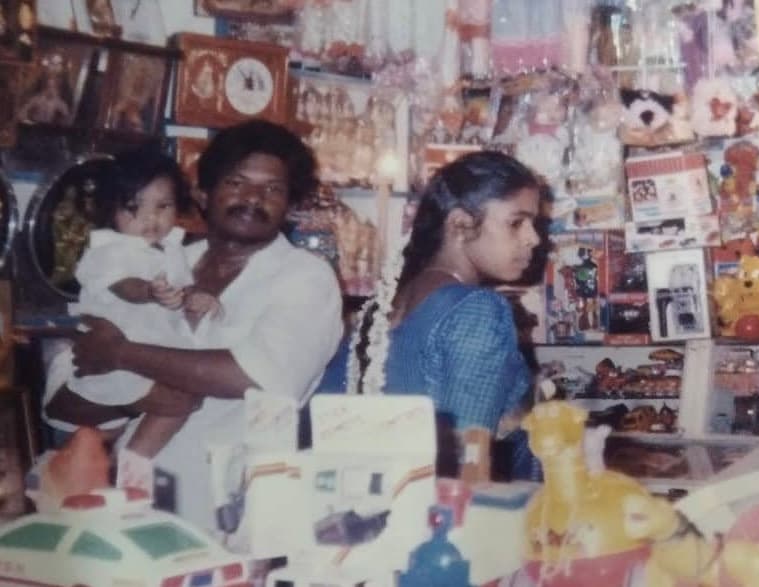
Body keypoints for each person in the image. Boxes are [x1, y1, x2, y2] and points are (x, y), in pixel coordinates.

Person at [45, 120, 344, 532]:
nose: (253, 198)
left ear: (290, 204)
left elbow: (256, 375)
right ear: (203, 193)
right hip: (124, 507)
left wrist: (121, 354)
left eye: (273, 189)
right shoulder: (154, 262)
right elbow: (63, 401)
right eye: (237, 182)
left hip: (227, 512)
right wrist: (135, 399)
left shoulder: (305, 278)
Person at [364, 150, 545, 477]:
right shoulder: (477, 310)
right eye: (516, 222)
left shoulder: (385, 304)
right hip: (454, 516)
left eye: (533, 223)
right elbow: (467, 463)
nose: (534, 238)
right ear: (460, 224)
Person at [47, 145, 219, 457]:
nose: (149, 219)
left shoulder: (172, 249)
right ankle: (130, 469)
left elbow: (183, 290)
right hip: (113, 366)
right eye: (132, 207)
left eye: (162, 206)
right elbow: (124, 287)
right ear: (110, 211)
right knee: (176, 404)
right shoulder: (109, 250)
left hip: (152, 358)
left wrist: (196, 297)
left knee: (114, 433)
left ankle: (125, 468)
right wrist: (149, 291)